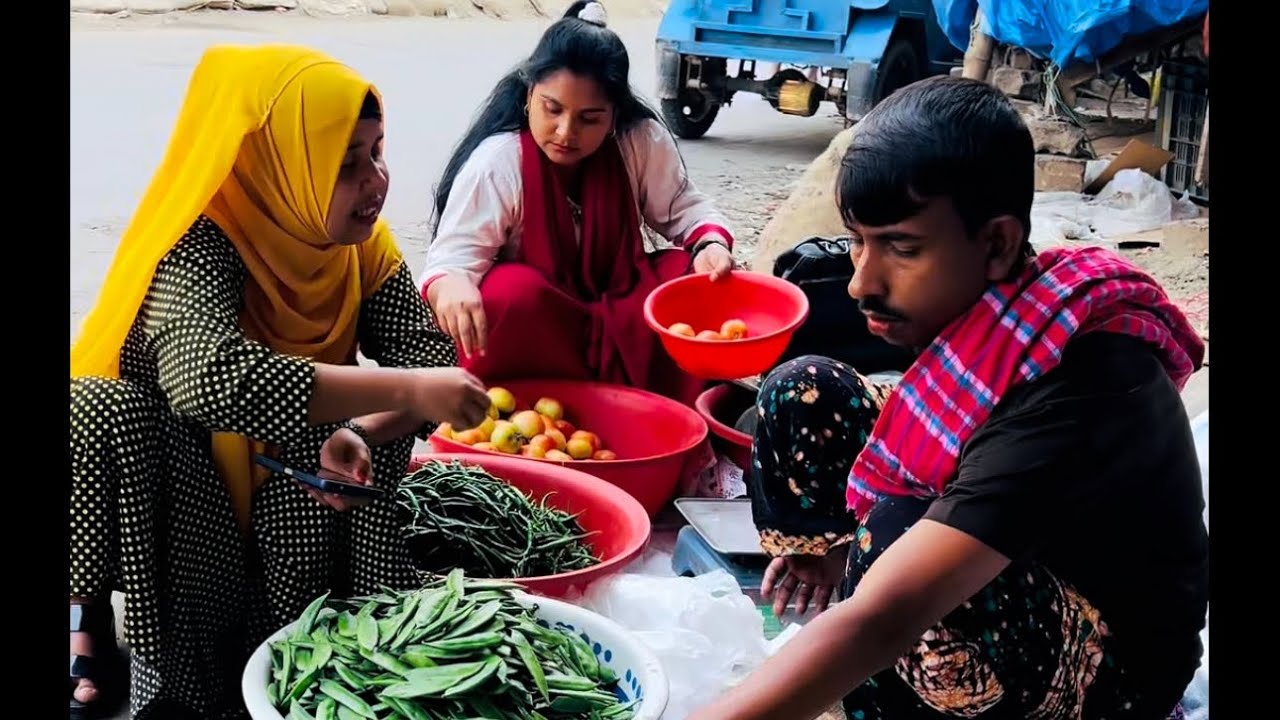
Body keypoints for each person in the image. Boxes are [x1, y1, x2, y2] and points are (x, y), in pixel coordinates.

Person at [689, 76, 1209, 720]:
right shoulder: (993, 316)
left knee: (892, 548)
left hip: (1113, 658)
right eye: (858, 241)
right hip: (1008, 553)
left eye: (901, 248)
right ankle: (835, 580)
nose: (860, 281)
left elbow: (886, 620)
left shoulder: (1081, 385)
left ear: (995, 243)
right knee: (804, 389)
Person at [68, 44, 491, 719]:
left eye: (377, 152)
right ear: (284, 164)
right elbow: (209, 380)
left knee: (333, 479)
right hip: (183, 474)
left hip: (290, 473)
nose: (375, 180)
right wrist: (406, 390)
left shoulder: (362, 250)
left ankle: (289, 655)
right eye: (346, 162)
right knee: (93, 408)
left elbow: (425, 356)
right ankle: (93, 627)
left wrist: (362, 426)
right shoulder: (203, 239)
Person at [420, 0, 736, 406]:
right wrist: (452, 286)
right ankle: (519, 411)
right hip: (545, 324)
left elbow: (683, 209)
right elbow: (452, 259)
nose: (566, 132)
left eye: (590, 118)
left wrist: (710, 245)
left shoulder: (638, 140)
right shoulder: (497, 163)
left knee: (691, 278)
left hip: (623, 303)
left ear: (614, 115)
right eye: (552, 109)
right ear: (529, 93)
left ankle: (674, 416)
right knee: (506, 294)